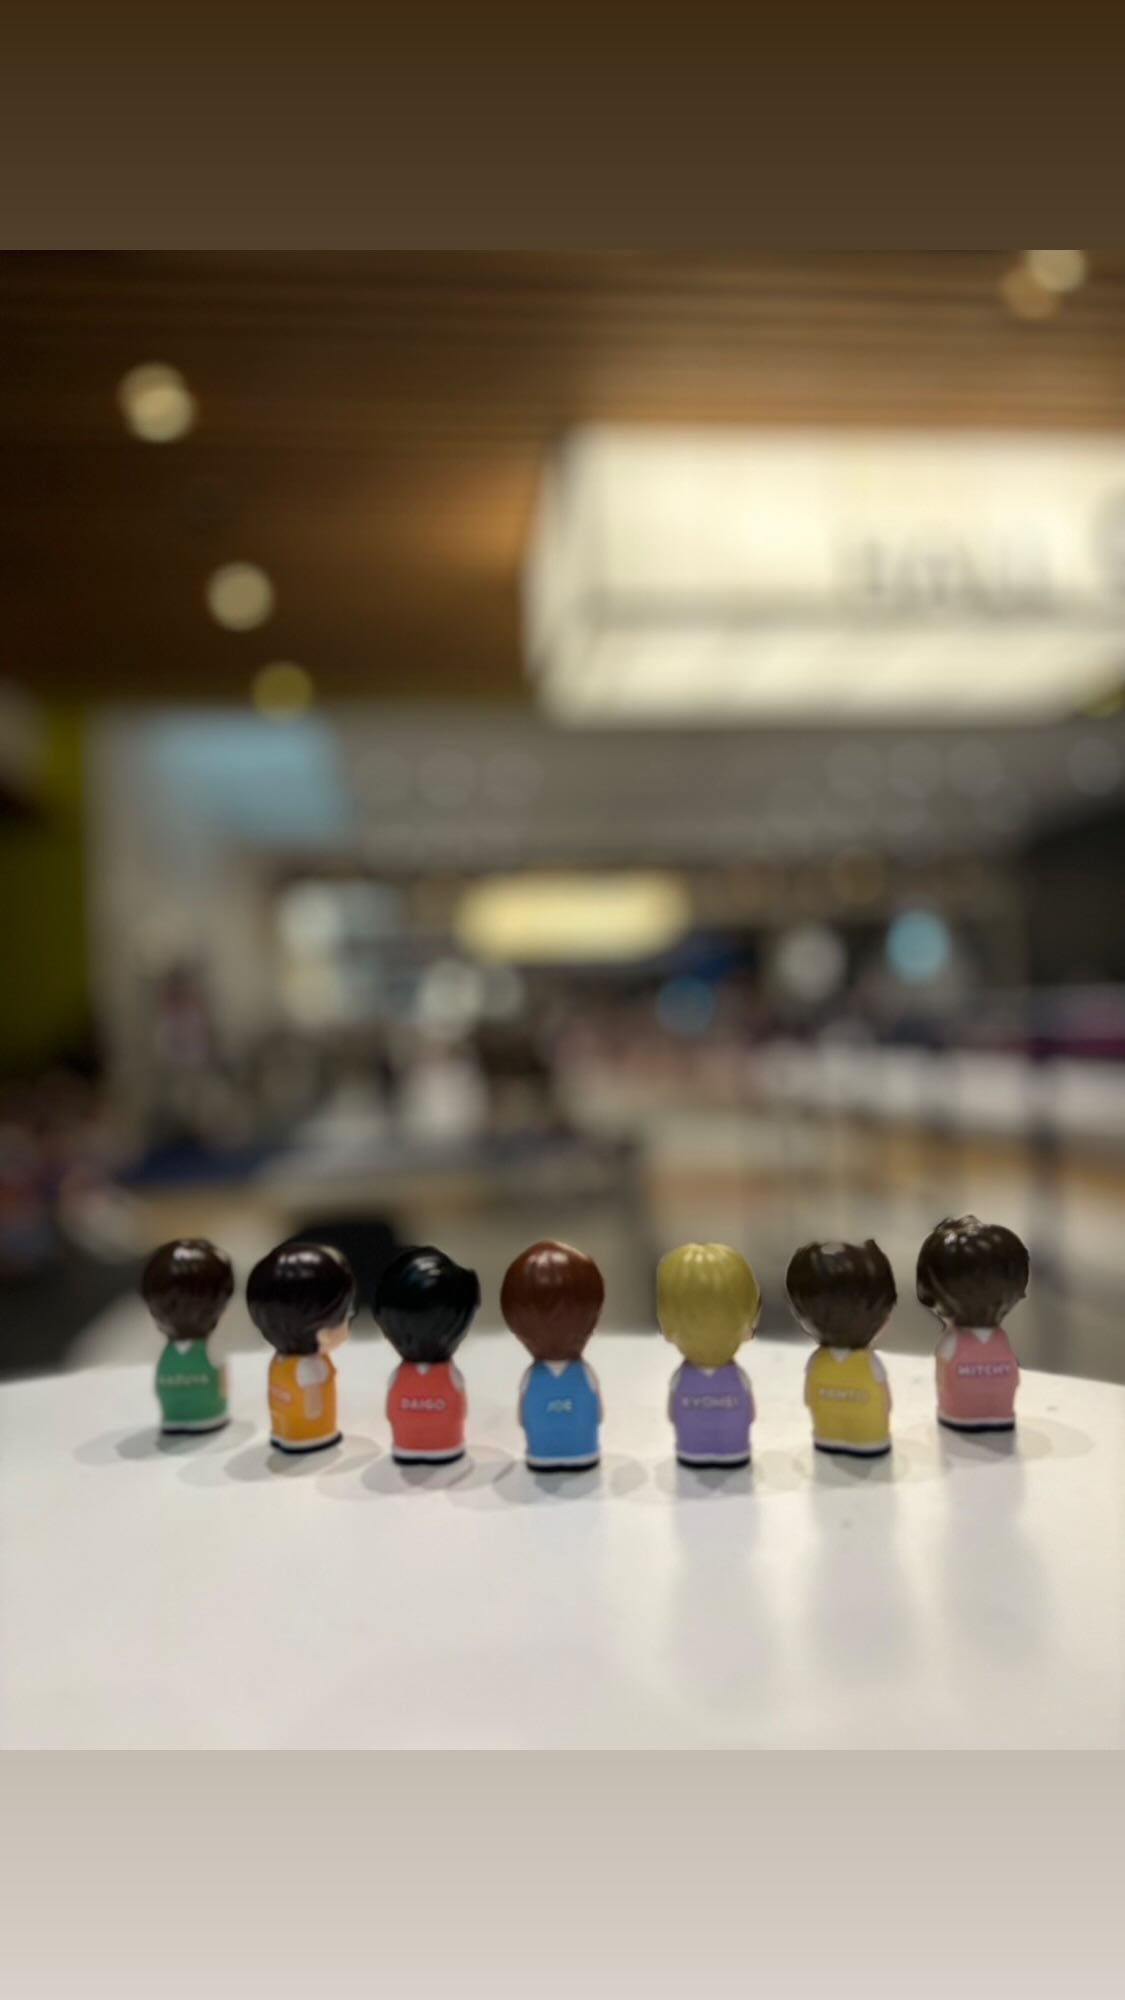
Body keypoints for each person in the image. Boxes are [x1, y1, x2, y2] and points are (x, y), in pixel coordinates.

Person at [916, 1215, 1029, 1433]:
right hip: (1002, 1411)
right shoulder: (1000, 1340)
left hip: (958, 1413)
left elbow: (943, 1382)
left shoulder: (951, 1343)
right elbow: (1013, 1378)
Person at [786, 1239, 896, 1457]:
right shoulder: (870, 1365)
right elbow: (886, 1402)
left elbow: (808, 1399)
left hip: (826, 1432)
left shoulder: (817, 1363)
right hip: (871, 1435)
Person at [501, 1240, 605, 1471]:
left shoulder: (532, 1378)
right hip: (581, 1447)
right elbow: (598, 1414)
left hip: (543, 1449)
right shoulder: (584, 1375)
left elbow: (522, 1417)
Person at [372, 1245, 480, 1464]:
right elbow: (460, 1411)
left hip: (410, 1443)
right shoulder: (450, 1376)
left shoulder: (400, 1376)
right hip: (444, 1443)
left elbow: (390, 1411)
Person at [246, 1241, 355, 1453]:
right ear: (323, 1334)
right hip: (312, 1433)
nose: (349, 1321)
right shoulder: (310, 1367)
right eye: (346, 1315)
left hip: (283, 1425)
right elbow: (313, 1408)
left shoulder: (279, 1361)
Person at [657, 1242, 759, 1468]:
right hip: (728, 1446)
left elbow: (672, 1414)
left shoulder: (681, 1380)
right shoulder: (738, 1379)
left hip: (696, 1446)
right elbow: (751, 1414)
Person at [143, 1237, 234, 1435]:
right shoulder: (212, 1350)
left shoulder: (169, 1354)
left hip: (171, 1415)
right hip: (210, 1414)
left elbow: (159, 1387)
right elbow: (222, 1385)